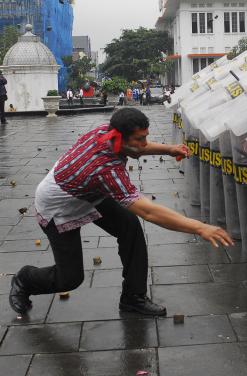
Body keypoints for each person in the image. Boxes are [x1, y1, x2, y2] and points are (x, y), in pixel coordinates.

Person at [9, 107, 233, 317]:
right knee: (69, 279)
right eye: (139, 139)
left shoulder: (107, 131)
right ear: (118, 137)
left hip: (89, 192)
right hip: (57, 209)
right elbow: (149, 212)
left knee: (130, 227)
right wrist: (200, 227)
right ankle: (24, 279)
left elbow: (136, 146)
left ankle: (133, 298)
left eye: (145, 136)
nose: (144, 143)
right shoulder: (105, 169)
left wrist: (169, 149)